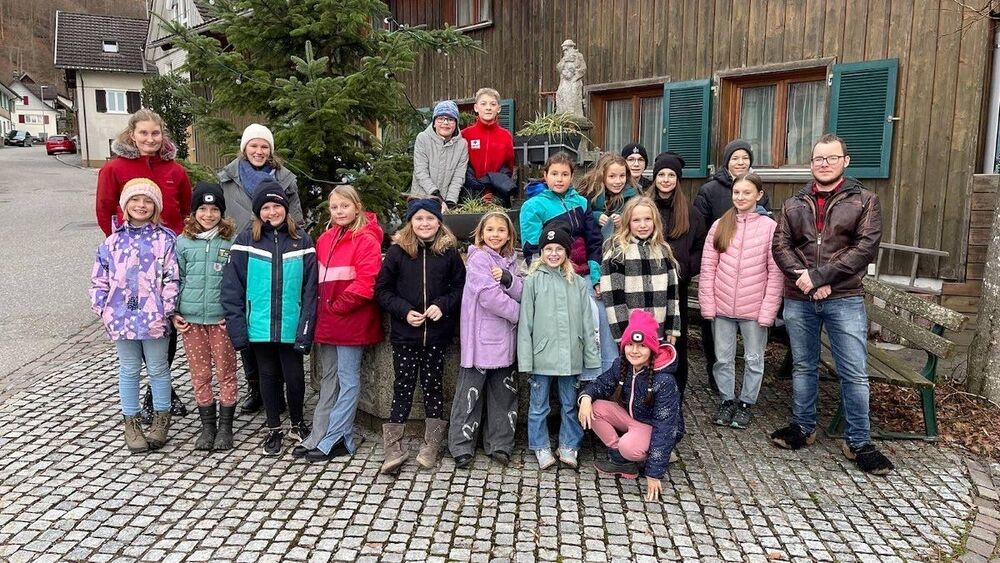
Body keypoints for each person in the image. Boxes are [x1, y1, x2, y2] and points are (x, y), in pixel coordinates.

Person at [770, 133, 893, 475]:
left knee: (854, 372)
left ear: (845, 161)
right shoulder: (793, 203)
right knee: (803, 366)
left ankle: (859, 442)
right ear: (811, 163)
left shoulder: (866, 201)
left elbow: (864, 249)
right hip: (800, 297)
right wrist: (807, 280)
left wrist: (821, 277)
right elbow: (781, 247)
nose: (824, 164)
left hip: (844, 298)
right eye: (818, 158)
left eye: (831, 158)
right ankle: (802, 427)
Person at [96, 109, 192, 423]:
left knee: (165, 323)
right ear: (132, 134)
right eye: (144, 133)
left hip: (169, 255)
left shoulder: (175, 170)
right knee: (133, 333)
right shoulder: (114, 168)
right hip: (130, 262)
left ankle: (157, 390)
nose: (150, 139)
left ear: (162, 135)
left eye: (155, 133)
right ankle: (146, 398)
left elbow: (185, 208)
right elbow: (105, 209)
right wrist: (123, 251)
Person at [221, 182, 317, 457]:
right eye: (266, 207)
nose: (272, 212)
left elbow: (311, 290)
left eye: (277, 206)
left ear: (285, 209)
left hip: (290, 323)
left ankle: (297, 423)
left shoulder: (302, 240)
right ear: (258, 211)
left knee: (295, 376)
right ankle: (274, 427)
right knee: (268, 376)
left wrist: (306, 327)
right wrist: (238, 331)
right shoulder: (245, 241)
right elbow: (232, 288)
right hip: (259, 325)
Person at [218, 123, 305, 416]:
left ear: (271, 150)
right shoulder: (228, 178)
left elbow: (296, 217)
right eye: (253, 146)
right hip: (244, 254)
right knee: (250, 320)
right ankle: (256, 387)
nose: (259, 151)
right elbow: (219, 217)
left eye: (264, 146)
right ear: (244, 148)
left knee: (276, 324)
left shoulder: (285, 179)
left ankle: (279, 392)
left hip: (279, 254)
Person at [293, 186, 384, 463]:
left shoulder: (366, 239)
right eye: (334, 207)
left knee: (347, 378)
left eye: (345, 206)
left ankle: (339, 436)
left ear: (357, 207)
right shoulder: (325, 239)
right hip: (329, 319)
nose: (339, 211)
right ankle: (320, 432)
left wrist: (338, 306)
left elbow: (366, 282)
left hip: (350, 318)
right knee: (328, 378)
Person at [375, 199, 466, 474]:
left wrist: (442, 305)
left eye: (430, 218)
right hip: (406, 334)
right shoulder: (397, 252)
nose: (425, 223)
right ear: (410, 222)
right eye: (419, 219)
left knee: (432, 386)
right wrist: (404, 311)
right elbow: (382, 291)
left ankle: (431, 443)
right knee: (402, 386)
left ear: (439, 222)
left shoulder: (449, 253)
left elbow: (459, 287)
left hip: (436, 335)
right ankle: (393, 445)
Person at [90, 178, 180, 453]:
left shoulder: (166, 240)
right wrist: (103, 308)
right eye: (135, 200)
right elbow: (99, 279)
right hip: (121, 319)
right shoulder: (112, 243)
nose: (141, 205)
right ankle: (131, 422)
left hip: (154, 319)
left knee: (158, 368)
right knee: (128, 370)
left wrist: (166, 309)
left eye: (148, 201)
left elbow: (172, 277)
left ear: (156, 207)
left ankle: (161, 420)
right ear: (125, 205)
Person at [518, 152, 613, 381]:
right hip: (556, 275)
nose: (559, 179)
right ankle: (576, 378)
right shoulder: (533, 206)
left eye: (564, 174)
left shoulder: (581, 203)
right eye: (554, 174)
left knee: (602, 317)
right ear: (545, 176)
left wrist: (596, 277)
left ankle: (606, 376)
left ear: (572, 176)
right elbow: (532, 248)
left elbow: (594, 242)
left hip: (584, 273)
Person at [698, 173, 783, 429]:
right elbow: (708, 267)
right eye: (736, 192)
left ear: (759, 195)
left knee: (754, 359)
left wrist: (768, 310)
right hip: (723, 305)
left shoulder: (769, 227)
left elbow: (775, 273)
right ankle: (727, 400)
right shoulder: (720, 225)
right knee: (723, 358)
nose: (741, 197)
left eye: (747, 192)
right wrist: (708, 304)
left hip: (754, 308)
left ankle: (746, 402)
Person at [518, 224, 600, 470]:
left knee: (569, 403)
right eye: (548, 249)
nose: (553, 254)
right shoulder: (533, 281)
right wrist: (526, 359)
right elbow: (526, 322)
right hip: (542, 355)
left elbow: (587, 322)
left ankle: (569, 444)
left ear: (567, 252)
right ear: (541, 252)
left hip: (571, 355)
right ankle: (540, 445)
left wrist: (591, 357)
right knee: (539, 405)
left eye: (559, 249)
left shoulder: (577, 282)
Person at [578, 309, 682, 501]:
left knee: (629, 446)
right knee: (595, 407)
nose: (634, 351)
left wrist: (654, 473)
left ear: (652, 349)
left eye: (642, 346)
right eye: (630, 345)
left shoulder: (664, 381)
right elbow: (602, 384)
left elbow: (665, 427)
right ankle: (621, 459)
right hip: (632, 420)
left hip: (652, 427)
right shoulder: (622, 365)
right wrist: (586, 397)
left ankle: (642, 455)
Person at [693, 139, 771, 385]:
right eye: (735, 158)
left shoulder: (759, 191)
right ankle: (717, 380)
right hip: (721, 269)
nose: (740, 162)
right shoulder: (710, 190)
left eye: (745, 158)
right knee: (717, 340)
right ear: (727, 162)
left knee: (752, 349)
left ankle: (747, 391)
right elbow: (700, 229)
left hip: (750, 277)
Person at [449, 211, 522, 468]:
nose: (495, 234)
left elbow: (522, 290)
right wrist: (521, 313)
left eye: (501, 230)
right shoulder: (478, 258)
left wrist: (509, 280)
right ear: (481, 233)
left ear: (509, 235)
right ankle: (461, 444)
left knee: (504, 394)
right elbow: (488, 296)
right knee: (470, 394)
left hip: (506, 339)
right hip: (481, 339)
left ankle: (500, 443)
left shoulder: (512, 261)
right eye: (490, 229)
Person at [174, 182, 240, 451]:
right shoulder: (182, 242)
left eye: (214, 210)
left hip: (221, 319)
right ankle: (208, 426)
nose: (208, 215)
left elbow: (238, 281)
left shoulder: (231, 241)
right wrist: (174, 312)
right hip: (191, 321)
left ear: (221, 213)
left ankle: (225, 427)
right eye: (202, 209)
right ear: (194, 212)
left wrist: (234, 313)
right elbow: (175, 279)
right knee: (200, 374)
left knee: (226, 372)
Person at [648, 152, 707, 395]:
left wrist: (685, 267)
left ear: (677, 179)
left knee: (675, 338)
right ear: (655, 178)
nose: (666, 179)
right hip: (646, 285)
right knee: (648, 335)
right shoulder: (644, 207)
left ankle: (674, 390)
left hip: (676, 287)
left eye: (671, 175)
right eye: (661, 174)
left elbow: (701, 246)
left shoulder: (691, 213)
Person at [600, 196, 681, 346]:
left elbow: (672, 294)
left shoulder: (663, 251)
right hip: (631, 336)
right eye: (636, 220)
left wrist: (672, 328)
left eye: (648, 219)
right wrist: (623, 335)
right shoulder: (617, 253)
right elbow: (613, 298)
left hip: (658, 332)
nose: (642, 225)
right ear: (628, 222)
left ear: (655, 221)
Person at [409, 100, 469, 210]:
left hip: (446, 202)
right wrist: (437, 197)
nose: (445, 123)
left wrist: (450, 201)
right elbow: (420, 172)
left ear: (456, 123)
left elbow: (458, 177)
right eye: (440, 118)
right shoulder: (423, 138)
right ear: (434, 122)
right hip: (420, 199)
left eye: (450, 119)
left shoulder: (462, 145)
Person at [461, 88, 516, 207]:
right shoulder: (465, 135)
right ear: (476, 108)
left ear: (499, 108)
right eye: (483, 104)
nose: (488, 108)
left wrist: (495, 186)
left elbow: (509, 166)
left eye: (493, 104)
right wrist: (476, 186)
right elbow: (461, 166)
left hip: (498, 194)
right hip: (471, 195)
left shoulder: (506, 136)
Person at [577, 153, 638, 240]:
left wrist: (623, 219)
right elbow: (577, 214)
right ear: (601, 176)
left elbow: (638, 218)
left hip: (621, 241)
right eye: (612, 176)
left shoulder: (633, 195)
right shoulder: (588, 191)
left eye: (622, 176)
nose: (618, 181)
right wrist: (595, 216)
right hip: (591, 240)